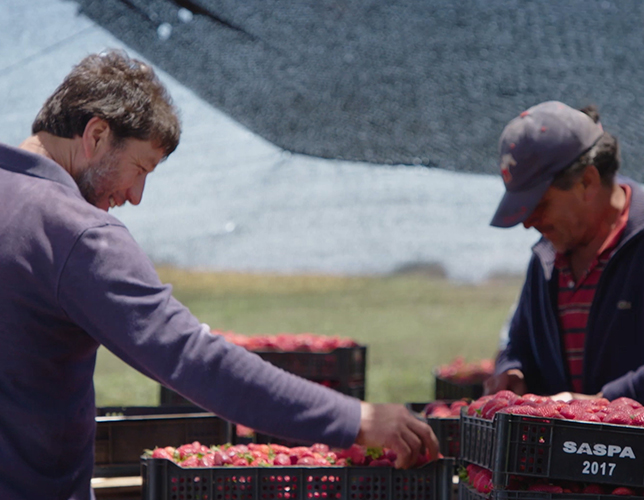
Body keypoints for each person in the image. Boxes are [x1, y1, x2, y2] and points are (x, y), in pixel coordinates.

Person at [0, 49, 438, 500]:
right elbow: (191, 357)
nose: (135, 196)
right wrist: (353, 419)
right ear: (96, 134)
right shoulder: (76, 234)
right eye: (140, 168)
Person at [484, 100, 644, 404]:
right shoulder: (546, 258)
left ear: (587, 181)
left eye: (539, 206)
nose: (528, 223)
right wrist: (513, 371)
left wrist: (600, 403)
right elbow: (518, 343)